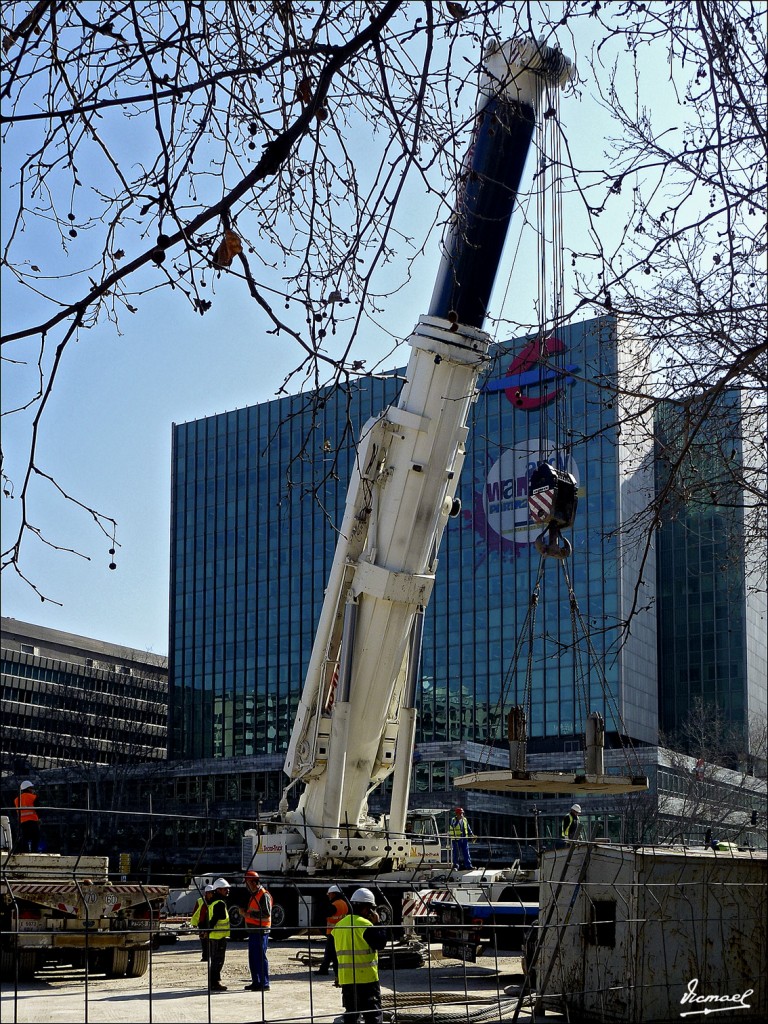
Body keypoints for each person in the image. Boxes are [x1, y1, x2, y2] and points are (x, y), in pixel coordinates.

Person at [332, 887, 387, 1024]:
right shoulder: (366, 925)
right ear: (366, 909)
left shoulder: (338, 926)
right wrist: (378, 923)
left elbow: (332, 954)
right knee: (372, 1015)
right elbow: (380, 944)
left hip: (347, 980)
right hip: (367, 979)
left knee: (351, 1015)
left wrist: (337, 975)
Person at [243, 870, 273, 992]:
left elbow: (266, 914)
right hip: (254, 931)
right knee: (253, 958)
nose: (246, 885)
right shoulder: (255, 895)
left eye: (247, 883)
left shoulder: (263, 895)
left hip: (261, 931)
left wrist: (247, 914)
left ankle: (264, 983)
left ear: (252, 882)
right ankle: (256, 981)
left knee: (260, 957)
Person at [317, 884, 350, 976]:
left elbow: (325, 914)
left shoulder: (334, 905)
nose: (328, 896)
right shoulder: (344, 904)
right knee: (330, 952)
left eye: (329, 894)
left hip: (332, 932)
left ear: (334, 894)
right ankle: (324, 969)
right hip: (341, 931)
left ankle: (332, 970)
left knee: (332, 953)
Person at [207, 878, 231, 992]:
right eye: (225, 889)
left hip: (214, 936)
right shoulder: (220, 904)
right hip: (218, 937)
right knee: (218, 960)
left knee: (215, 960)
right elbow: (215, 919)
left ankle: (213, 982)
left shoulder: (213, 902)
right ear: (218, 890)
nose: (227, 891)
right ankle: (214, 983)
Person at [190, 883, 214, 961]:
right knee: (204, 941)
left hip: (210, 923)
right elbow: (195, 913)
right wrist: (194, 923)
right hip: (202, 923)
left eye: (212, 892)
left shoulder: (214, 901)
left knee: (211, 941)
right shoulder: (200, 901)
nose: (212, 894)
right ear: (206, 893)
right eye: (210, 893)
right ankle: (205, 957)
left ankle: (211, 956)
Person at [14, 780, 40, 852]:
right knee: (36, 838)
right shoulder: (34, 797)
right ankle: (34, 853)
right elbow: (39, 810)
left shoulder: (16, 799)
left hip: (22, 823)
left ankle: (23, 853)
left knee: (24, 839)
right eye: (32, 788)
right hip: (33, 821)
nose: (33, 790)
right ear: (28, 788)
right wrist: (40, 818)